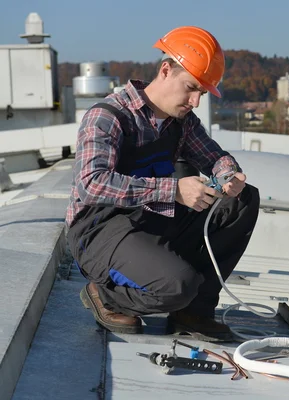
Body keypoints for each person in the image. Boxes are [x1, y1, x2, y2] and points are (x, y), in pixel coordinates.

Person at [65, 26, 260, 342]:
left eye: (203, 93)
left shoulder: (180, 122)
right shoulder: (108, 116)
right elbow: (92, 183)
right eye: (191, 88)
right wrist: (174, 191)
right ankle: (105, 296)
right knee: (178, 285)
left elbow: (213, 156)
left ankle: (193, 312)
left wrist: (228, 175)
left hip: (148, 221)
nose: (195, 101)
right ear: (166, 70)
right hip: (100, 231)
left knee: (243, 200)